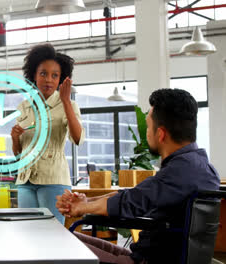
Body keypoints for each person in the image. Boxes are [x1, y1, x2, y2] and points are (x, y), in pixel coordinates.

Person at [56, 88, 220, 263]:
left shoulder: (181, 171)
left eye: (148, 127)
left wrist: (82, 208)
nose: (146, 133)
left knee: (58, 245)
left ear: (161, 133)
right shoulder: (196, 167)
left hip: (146, 261)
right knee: (63, 238)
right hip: (143, 255)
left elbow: (130, 203)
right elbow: (136, 194)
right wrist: (87, 201)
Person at [11, 44, 85, 224]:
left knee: (52, 236)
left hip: (53, 180)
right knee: (27, 234)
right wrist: (14, 138)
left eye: (55, 75)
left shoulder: (68, 105)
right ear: (34, 75)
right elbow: (19, 153)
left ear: (61, 79)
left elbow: (78, 139)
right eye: (43, 73)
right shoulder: (25, 107)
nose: (48, 80)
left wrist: (66, 102)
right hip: (25, 181)